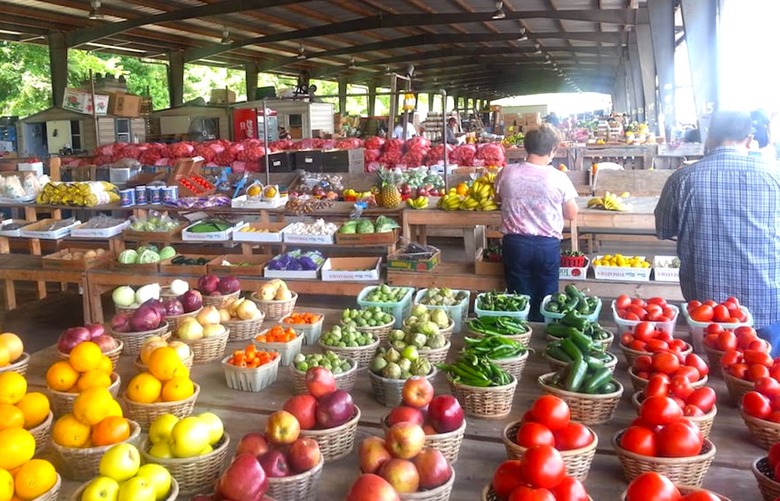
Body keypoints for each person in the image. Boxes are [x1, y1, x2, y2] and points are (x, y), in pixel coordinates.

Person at [655, 110, 780, 354]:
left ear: (710, 138)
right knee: (767, 368)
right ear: (749, 139)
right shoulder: (774, 176)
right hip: (767, 299)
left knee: (711, 365)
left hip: (706, 305)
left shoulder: (682, 179)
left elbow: (664, 229)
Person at [495, 124, 579, 322]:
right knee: (547, 298)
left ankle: (521, 331)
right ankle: (543, 330)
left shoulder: (507, 173)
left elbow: (498, 198)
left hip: (515, 244)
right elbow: (571, 214)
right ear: (552, 150)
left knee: (518, 296)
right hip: (546, 246)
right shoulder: (559, 178)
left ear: (526, 146)